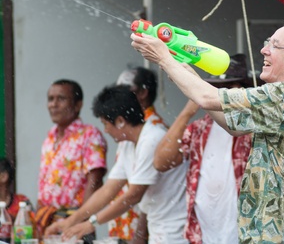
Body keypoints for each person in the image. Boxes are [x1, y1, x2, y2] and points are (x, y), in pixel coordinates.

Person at [131, 18, 284, 243]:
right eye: (268, 42)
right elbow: (231, 123)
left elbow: (207, 97)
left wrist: (164, 59)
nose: (264, 49)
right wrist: (181, 68)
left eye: (275, 45)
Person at [45, 85, 188, 244]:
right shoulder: (127, 144)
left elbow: (134, 194)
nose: (105, 130)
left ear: (120, 121)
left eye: (105, 124)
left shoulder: (153, 138)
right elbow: (108, 190)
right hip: (158, 229)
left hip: (177, 231)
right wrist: (72, 220)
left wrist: (91, 223)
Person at [153, 54, 253, 244]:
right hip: (203, 235)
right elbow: (161, 162)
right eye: (217, 88)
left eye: (229, 87)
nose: (222, 93)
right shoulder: (199, 128)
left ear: (242, 89)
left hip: (245, 233)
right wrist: (189, 109)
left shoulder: (252, 127)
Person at [37, 79, 107, 239]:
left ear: (78, 105)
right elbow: (43, 184)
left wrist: (80, 221)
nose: (53, 104)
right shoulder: (49, 138)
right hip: (47, 222)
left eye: (61, 99)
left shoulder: (90, 135)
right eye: (50, 99)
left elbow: (95, 182)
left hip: (75, 223)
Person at [108, 67, 162, 244]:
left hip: (144, 226)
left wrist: (140, 234)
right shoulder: (127, 123)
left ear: (143, 93)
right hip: (124, 218)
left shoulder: (154, 129)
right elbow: (112, 185)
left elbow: (142, 194)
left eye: (124, 91)